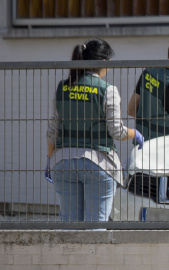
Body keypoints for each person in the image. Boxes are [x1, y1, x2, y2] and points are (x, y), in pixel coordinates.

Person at [45, 38, 144, 222]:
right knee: (95, 226)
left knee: (70, 224)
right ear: (104, 62)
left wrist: (50, 159)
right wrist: (135, 133)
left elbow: (53, 129)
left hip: (62, 162)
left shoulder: (63, 87)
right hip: (97, 163)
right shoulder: (108, 90)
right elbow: (116, 131)